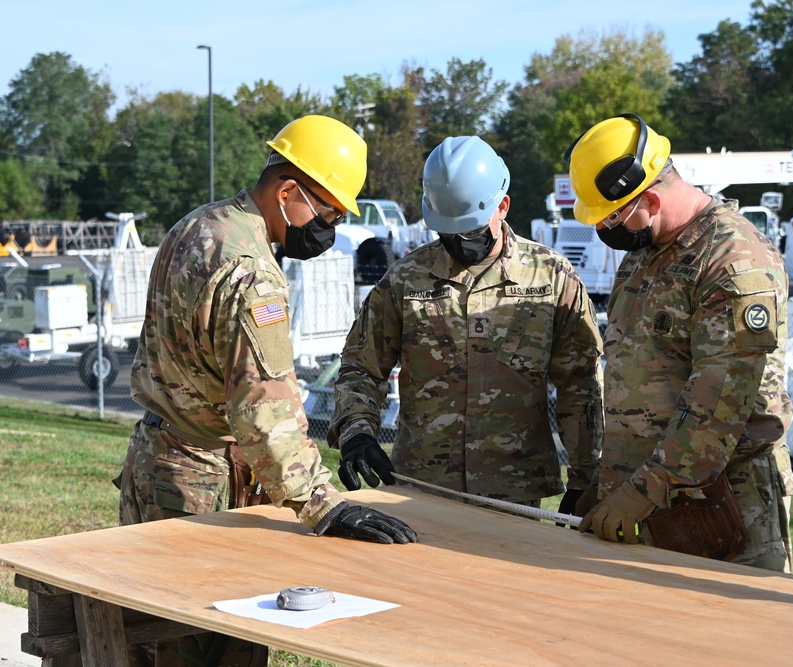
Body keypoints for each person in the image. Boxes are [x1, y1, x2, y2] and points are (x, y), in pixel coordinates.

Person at [116, 115, 417, 667]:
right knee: (200, 649)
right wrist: (324, 506)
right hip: (201, 486)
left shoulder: (198, 225)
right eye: (326, 212)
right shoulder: (253, 272)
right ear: (287, 192)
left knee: (149, 641)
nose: (328, 228)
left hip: (157, 460)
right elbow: (264, 413)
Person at [567, 114, 793, 572]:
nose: (605, 231)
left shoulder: (732, 258)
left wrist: (642, 493)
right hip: (646, 497)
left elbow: (719, 402)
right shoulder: (643, 256)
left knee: (730, 635)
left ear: (650, 198)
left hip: (722, 504)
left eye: (613, 217)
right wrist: (607, 482)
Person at [329, 135, 604, 514]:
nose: (459, 243)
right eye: (447, 232)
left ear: (502, 206)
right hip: (421, 484)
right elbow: (361, 366)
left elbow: (581, 384)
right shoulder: (406, 279)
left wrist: (586, 477)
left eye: (471, 231)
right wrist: (356, 432)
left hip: (514, 490)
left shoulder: (551, 277)